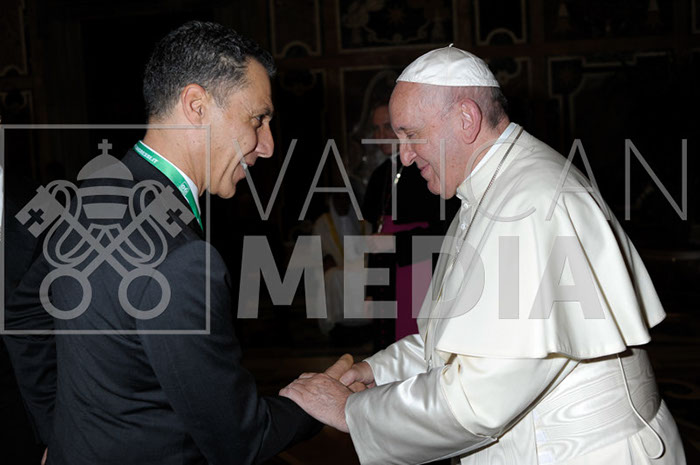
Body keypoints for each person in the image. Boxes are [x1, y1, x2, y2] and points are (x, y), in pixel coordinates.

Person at [280, 45, 687, 464]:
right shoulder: (491, 191)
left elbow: (480, 398)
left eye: (411, 134)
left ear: (466, 119)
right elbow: (458, 339)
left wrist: (351, 411)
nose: (404, 155)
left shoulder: (530, 203)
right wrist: (376, 371)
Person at [3, 21, 321, 465]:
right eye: (258, 119)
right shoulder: (183, 257)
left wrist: (57, 435)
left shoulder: (87, 196)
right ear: (196, 105)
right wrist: (314, 405)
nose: (266, 145)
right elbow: (239, 442)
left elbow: (23, 316)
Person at [363, 101, 457, 346]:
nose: (381, 135)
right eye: (376, 129)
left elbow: (446, 233)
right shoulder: (379, 175)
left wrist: (396, 243)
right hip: (386, 278)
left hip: (420, 274)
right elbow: (375, 235)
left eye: (388, 127)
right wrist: (370, 291)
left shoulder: (429, 169)